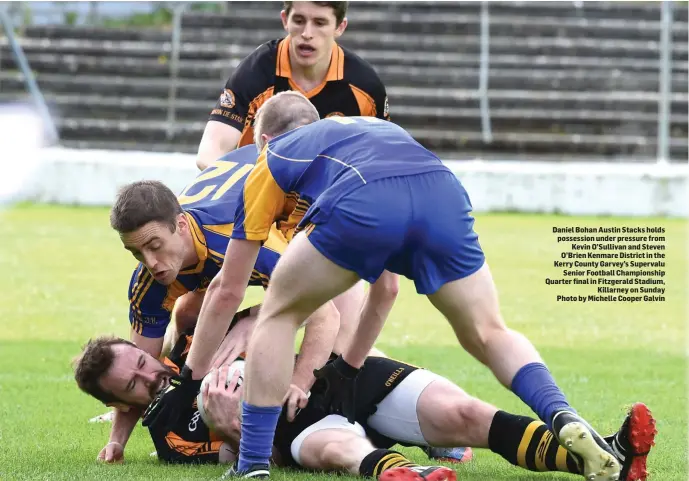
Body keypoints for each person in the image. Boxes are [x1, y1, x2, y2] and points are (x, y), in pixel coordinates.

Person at [149, 90, 633, 480]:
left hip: (362, 197)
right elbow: (386, 290)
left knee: (278, 313)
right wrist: (350, 367)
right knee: (489, 331)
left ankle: (251, 468)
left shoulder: (270, 159)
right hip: (439, 187)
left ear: (263, 141)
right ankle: (564, 416)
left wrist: (187, 382)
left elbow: (229, 289)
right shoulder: (375, 128)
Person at [72, 330, 657, 481]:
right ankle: (398, 471)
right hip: (297, 425)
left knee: (467, 415)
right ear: (118, 401)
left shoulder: (193, 336)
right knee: (335, 448)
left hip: (341, 373)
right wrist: (233, 431)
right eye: (133, 385)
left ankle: (603, 456)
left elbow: (263, 311)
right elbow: (251, 461)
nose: (151, 376)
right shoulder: (170, 433)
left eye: (143, 363)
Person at [100, 144, 341, 463]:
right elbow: (140, 360)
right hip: (245, 192)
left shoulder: (242, 240)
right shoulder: (147, 283)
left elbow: (323, 311)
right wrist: (118, 441)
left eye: (154, 246)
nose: (150, 263)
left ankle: (389, 406)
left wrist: (257, 325)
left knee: (340, 335)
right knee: (187, 313)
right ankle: (194, 384)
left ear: (181, 226)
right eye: (137, 253)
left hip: (322, 205)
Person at [196, 1, 389, 170]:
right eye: (298, 20)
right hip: (254, 196)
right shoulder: (255, 73)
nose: (307, 33)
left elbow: (383, 161)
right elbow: (208, 154)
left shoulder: (365, 87)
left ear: (340, 27)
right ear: (284, 20)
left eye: (319, 23)